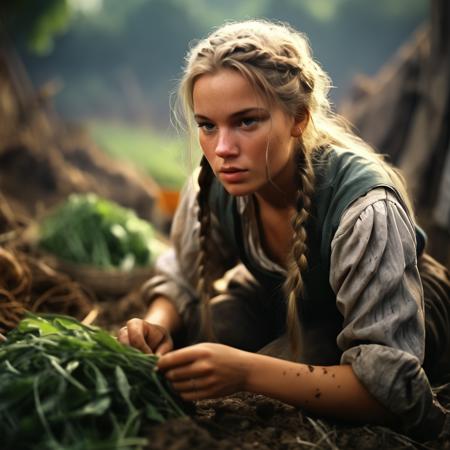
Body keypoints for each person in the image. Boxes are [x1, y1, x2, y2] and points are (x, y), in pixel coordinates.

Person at [118, 19, 450, 440]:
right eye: (208, 125)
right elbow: (181, 275)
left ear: (297, 118)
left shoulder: (365, 211)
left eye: (247, 122)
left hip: (385, 317)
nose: (222, 149)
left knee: (303, 350)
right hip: (284, 296)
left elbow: (393, 392)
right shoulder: (217, 183)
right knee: (215, 327)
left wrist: (245, 372)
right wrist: (156, 324)